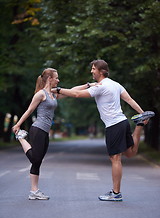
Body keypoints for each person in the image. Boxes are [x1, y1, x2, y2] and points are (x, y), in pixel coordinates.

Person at [52, 59, 155, 201]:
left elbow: (76, 94)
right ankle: (139, 125)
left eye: (93, 69)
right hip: (122, 122)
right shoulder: (115, 84)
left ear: (101, 71)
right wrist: (142, 113)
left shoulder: (100, 86)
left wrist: (57, 89)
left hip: (114, 125)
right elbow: (129, 100)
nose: (91, 71)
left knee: (115, 158)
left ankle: (116, 193)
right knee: (130, 153)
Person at [12, 68, 60, 200]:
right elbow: (29, 111)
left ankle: (34, 191)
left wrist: (89, 86)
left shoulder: (53, 94)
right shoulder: (40, 94)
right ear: (49, 78)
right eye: (56, 77)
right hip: (38, 129)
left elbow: (73, 91)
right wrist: (17, 125)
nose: (58, 80)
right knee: (35, 159)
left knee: (37, 162)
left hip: (45, 132)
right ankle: (21, 137)